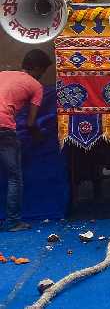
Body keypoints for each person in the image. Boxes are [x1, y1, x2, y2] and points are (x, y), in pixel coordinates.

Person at [0, 50, 51, 232]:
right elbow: (30, 123)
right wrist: (39, 135)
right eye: (42, 72)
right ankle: (13, 222)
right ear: (37, 68)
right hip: (4, 128)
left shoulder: (3, 74)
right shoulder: (35, 86)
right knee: (14, 177)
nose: (41, 76)